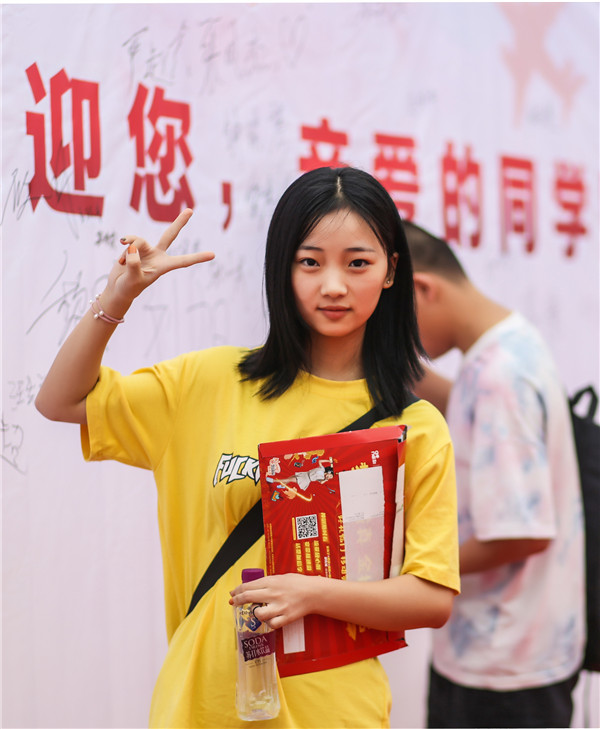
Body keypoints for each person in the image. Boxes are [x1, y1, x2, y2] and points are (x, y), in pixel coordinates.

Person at [35, 167, 460, 729]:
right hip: (201, 708)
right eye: (310, 262)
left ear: (391, 272)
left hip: (334, 712)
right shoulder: (208, 383)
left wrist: (313, 593)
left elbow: (431, 596)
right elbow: (60, 400)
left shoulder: (415, 426)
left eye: (358, 263)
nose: (334, 285)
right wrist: (118, 296)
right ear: (282, 268)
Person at [404, 220, 586, 729]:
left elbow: (521, 534)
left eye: (394, 321)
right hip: (521, 646)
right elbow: (472, 409)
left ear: (423, 289)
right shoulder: (508, 343)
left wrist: (406, 570)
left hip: (501, 669)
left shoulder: (497, 378)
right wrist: (394, 369)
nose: (399, 338)